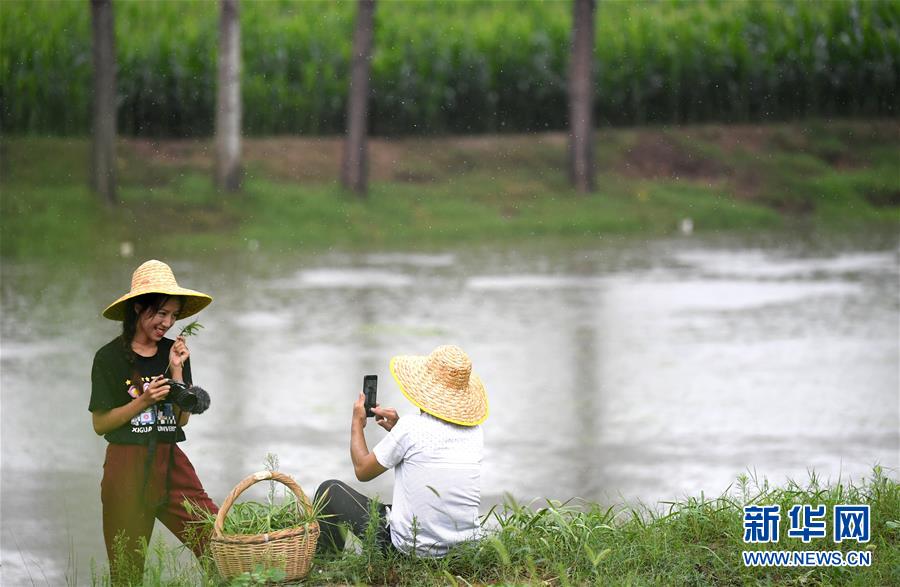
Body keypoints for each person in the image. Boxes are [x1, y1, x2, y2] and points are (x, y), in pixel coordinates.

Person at [89, 259, 218, 582]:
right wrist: (144, 401)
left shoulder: (174, 352)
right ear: (138, 308)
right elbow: (100, 424)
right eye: (161, 313)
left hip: (170, 461)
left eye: (173, 315)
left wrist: (177, 371)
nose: (168, 322)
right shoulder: (109, 358)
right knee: (127, 571)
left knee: (215, 541)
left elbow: (181, 421)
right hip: (125, 466)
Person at [315, 344, 489, 557]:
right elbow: (431, 452)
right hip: (464, 551)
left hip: (410, 550)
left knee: (329, 490)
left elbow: (362, 470)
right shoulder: (475, 432)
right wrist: (397, 429)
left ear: (423, 388)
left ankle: (326, 567)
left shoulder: (411, 427)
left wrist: (356, 423)